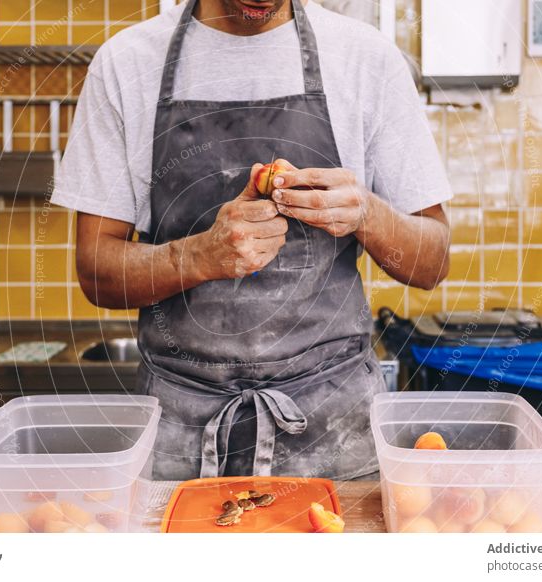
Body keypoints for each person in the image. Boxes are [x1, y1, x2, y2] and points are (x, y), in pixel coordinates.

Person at [52, 0, 452, 480]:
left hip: (337, 438)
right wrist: (201, 254)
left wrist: (368, 214)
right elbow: (97, 271)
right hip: (180, 443)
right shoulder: (128, 63)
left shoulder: (365, 59)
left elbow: (432, 262)